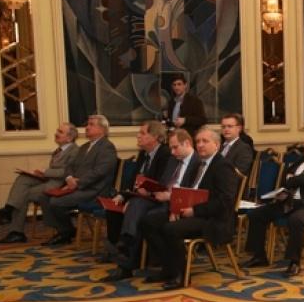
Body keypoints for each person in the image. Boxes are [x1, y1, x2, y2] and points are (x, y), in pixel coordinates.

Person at [140, 127, 239, 289]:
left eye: (205, 141)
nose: (200, 145)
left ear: (216, 145)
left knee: (170, 229)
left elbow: (224, 202)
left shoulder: (223, 166)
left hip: (212, 219)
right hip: (191, 212)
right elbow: (186, 193)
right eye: (198, 141)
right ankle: (168, 268)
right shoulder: (199, 164)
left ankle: (182, 274)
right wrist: (175, 209)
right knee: (148, 221)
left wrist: (194, 211)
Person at [102, 129, 201, 282]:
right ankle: (127, 251)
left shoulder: (198, 163)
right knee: (136, 205)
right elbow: (163, 183)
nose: (172, 152)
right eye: (171, 148)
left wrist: (171, 197)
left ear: (187, 143)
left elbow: (194, 192)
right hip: (160, 199)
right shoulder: (173, 159)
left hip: (179, 203)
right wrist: (152, 191)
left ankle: (127, 253)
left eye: (175, 147)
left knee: (145, 218)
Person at [244, 129, 304, 277]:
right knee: (256, 214)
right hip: (291, 201)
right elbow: (286, 174)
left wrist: (292, 179)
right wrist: (286, 187)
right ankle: (259, 256)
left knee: (296, 219)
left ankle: (294, 262)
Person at [0, 123, 81, 244]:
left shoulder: (75, 151)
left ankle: (16, 231)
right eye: (57, 130)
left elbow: (67, 172)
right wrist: (39, 174)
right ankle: (8, 209)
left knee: (23, 196)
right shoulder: (58, 150)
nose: (56, 133)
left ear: (69, 138)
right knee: (23, 178)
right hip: (50, 179)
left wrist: (45, 172)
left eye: (60, 132)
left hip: (60, 184)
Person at [39, 115, 118, 246]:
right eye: (87, 124)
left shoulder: (107, 147)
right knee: (44, 196)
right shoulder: (85, 147)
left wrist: (78, 183)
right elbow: (69, 167)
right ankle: (64, 230)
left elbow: (99, 172)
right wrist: (69, 178)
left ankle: (66, 232)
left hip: (95, 191)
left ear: (102, 129)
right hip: (78, 187)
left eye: (91, 125)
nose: (87, 127)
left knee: (56, 202)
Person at [104, 120, 171, 250]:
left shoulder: (165, 154)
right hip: (139, 195)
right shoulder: (143, 153)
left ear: (155, 137)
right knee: (114, 205)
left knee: (136, 204)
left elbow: (162, 183)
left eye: (142, 133)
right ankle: (115, 245)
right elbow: (133, 180)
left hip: (154, 197)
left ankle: (127, 242)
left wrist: (140, 195)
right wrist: (123, 195)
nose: (138, 136)